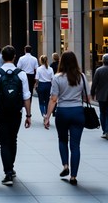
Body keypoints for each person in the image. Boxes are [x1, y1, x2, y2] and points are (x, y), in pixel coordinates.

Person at [44, 51, 91, 186]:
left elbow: (53, 99)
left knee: (63, 140)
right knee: (75, 145)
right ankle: (74, 176)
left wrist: (47, 117)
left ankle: (65, 165)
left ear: (61, 62)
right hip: (78, 112)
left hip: (63, 112)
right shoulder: (81, 77)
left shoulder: (57, 77)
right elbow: (87, 98)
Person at [0, 45, 32, 186]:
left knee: (4, 142)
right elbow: (26, 96)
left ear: (2, 57)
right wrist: (28, 115)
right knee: (13, 140)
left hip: (0, 112)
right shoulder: (21, 74)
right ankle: (11, 168)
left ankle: (8, 172)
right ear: (14, 57)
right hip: (16, 113)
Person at [91, 53, 108, 139]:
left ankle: (105, 130)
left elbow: (94, 83)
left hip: (101, 95)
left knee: (102, 113)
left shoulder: (99, 70)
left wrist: (92, 93)